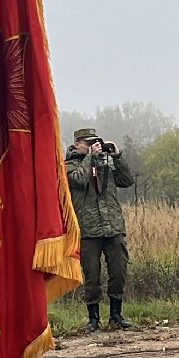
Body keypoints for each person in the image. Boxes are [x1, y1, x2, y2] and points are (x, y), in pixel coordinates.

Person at [66, 127, 135, 330]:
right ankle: (93, 319)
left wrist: (117, 156)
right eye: (87, 143)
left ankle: (116, 314)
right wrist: (90, 158)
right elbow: (78, 180)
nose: (92, 146)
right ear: (77, 144)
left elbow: (126, 181)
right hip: (88, 229)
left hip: (113, 226)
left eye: (94, 143)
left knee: (118, 271)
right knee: (92, 275)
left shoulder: (105, 162)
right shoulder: (69, 165)